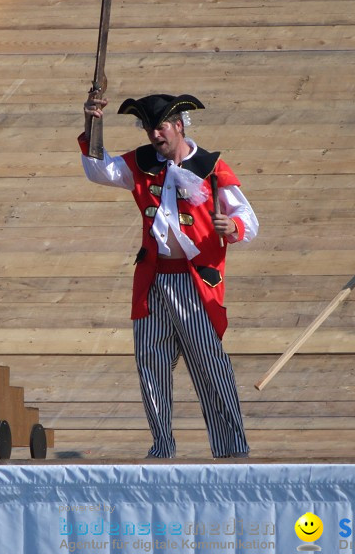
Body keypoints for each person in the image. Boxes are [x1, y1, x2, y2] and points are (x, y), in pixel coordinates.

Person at [80, 93, 259, 458]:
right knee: (151, 362)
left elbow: (249, 221)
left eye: (159, 127)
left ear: (179, 125)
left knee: (209, 364)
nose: (154, 135)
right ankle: (162, 446)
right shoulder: (142, 163)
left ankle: (231, 449)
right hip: (153, 279)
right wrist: (92, 123)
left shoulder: (211, 166)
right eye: (148, 129)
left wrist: (233, 226)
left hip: (195, 283)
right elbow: (98, 169)